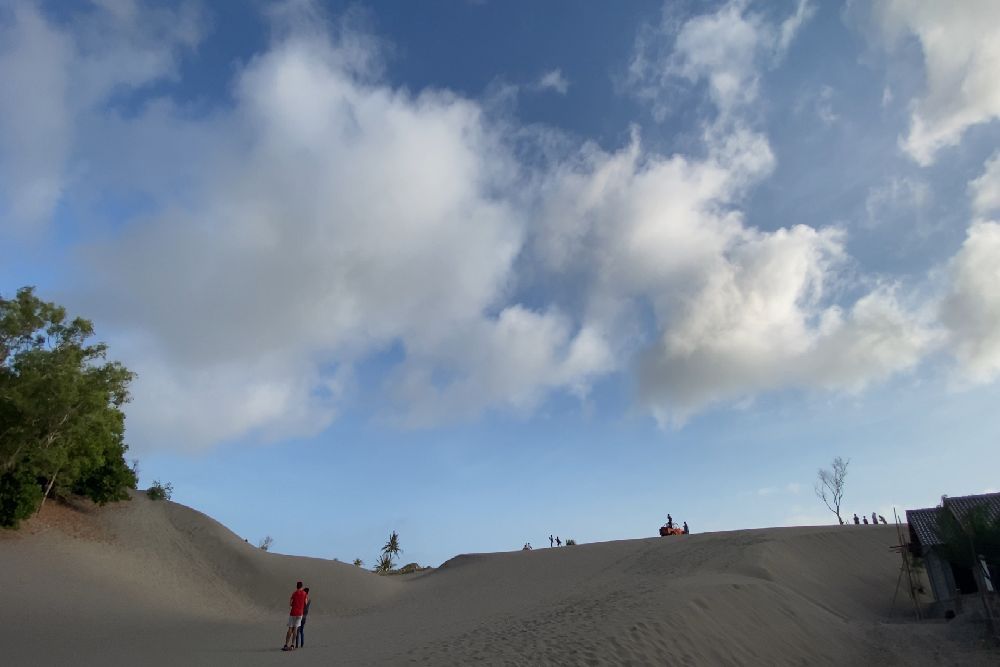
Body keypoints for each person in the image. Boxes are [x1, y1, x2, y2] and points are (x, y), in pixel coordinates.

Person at [282, 581, 308, 651]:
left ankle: (286, 644)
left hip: (293, 612)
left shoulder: (294, 593)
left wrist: (294, 604)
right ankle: (293, 644)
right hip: (300, 613)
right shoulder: (304, 593)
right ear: (302, 586)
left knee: (290, 628)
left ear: (297, 586)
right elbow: (306, 603)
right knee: (296, 628)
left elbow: (290, 603)